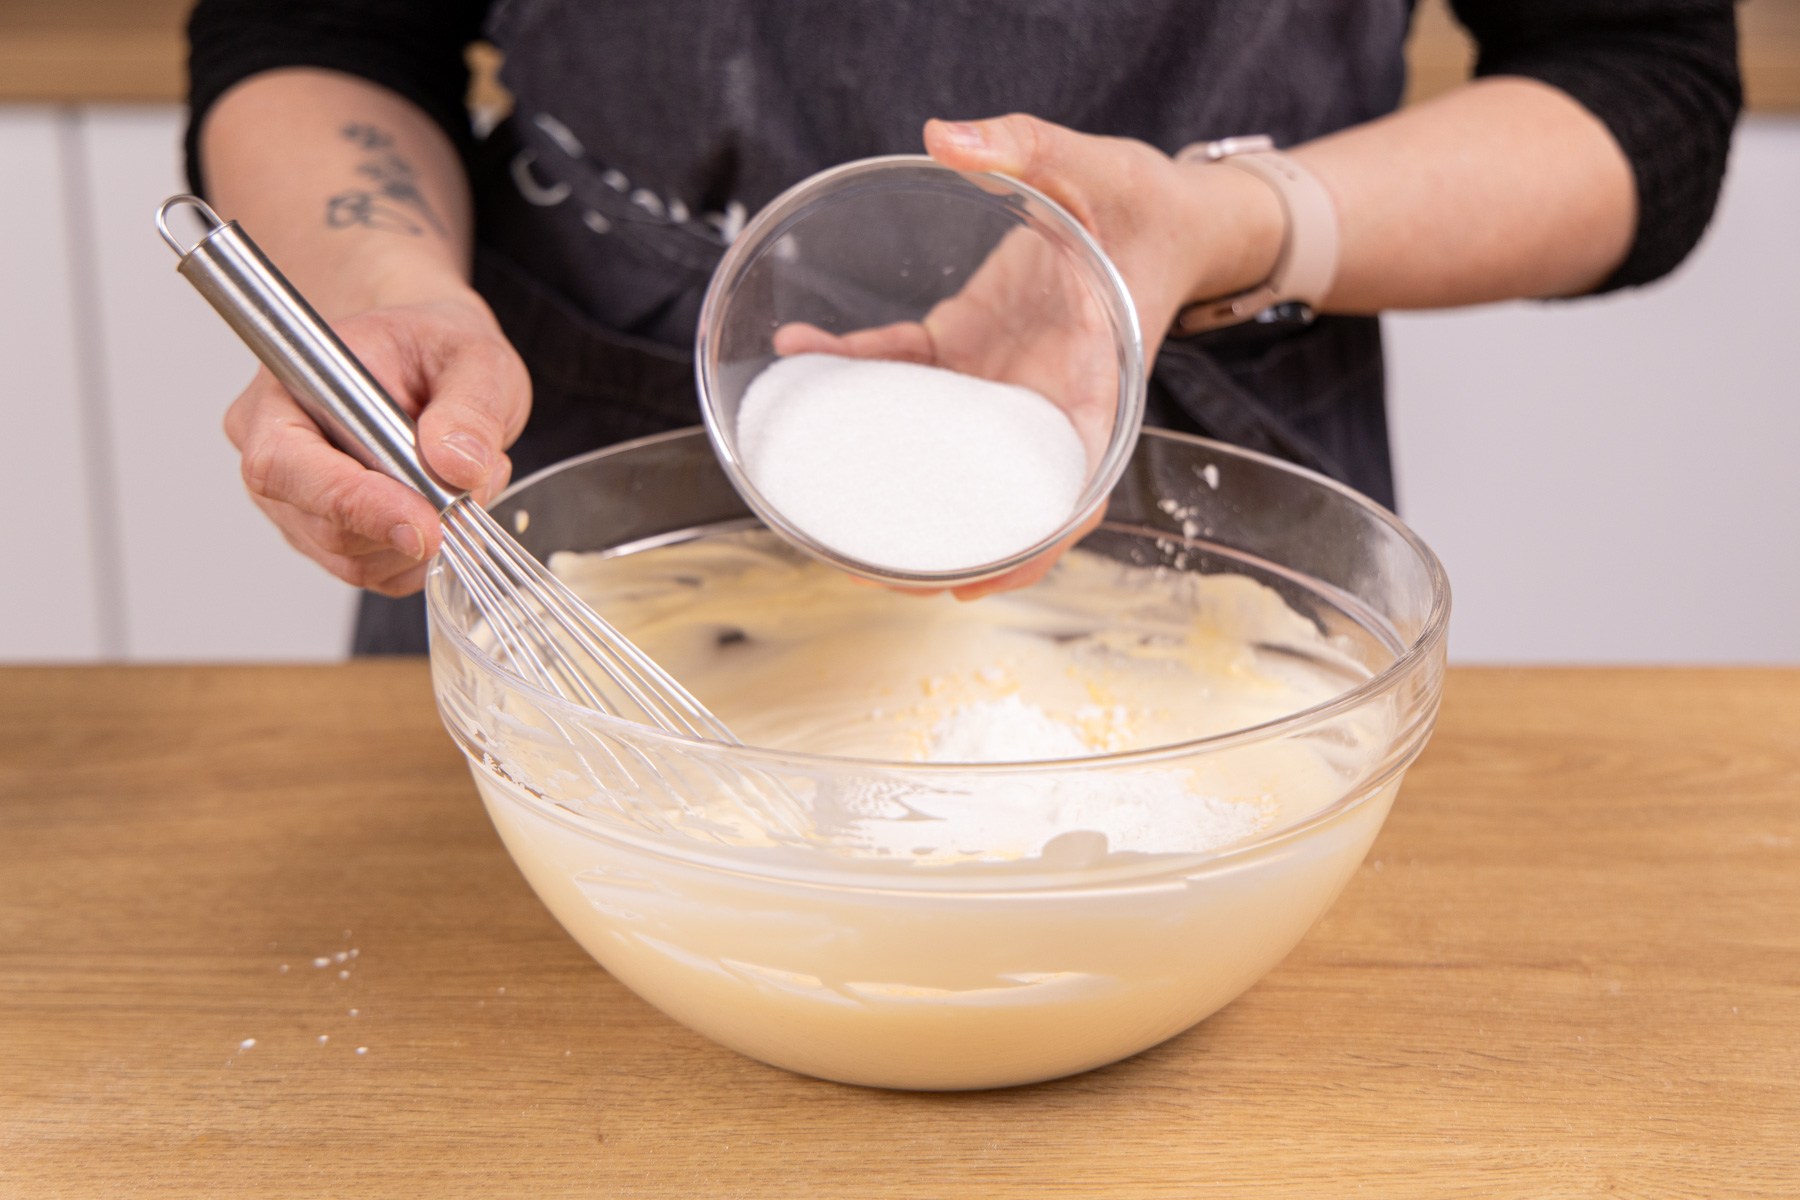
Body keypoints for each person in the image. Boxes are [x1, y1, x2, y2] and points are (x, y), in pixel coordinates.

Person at [185, 0, 1739, 652]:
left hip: (1206, 519)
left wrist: (1229, 224)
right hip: (553, 509)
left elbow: (1639, 85)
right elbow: (317, 29)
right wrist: (376, 285)